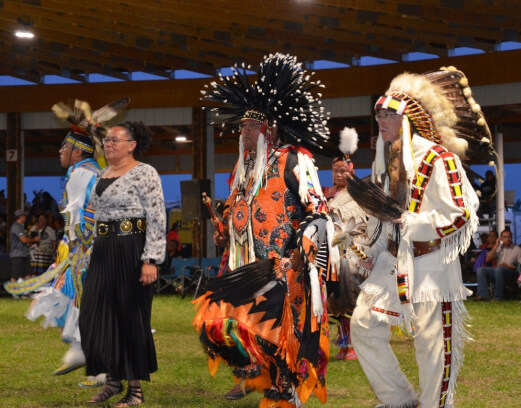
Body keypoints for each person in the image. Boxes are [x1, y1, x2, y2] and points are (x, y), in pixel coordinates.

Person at [193, 53, 334, 407]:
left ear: (268, 129)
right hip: (242, 267)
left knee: (278, 339)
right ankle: (257, 377)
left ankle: (283, 393)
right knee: (214, 323)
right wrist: (224, 233)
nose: (244, 132)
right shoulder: (240, 171)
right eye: (241, 127)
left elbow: (318, 211)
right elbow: (237, 214)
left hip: (280, 266)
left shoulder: (293, 159)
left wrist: (299, 256)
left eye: (251, 127)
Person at [348, 67, 493, 407]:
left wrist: (413, 222)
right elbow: (385, 218)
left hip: (432, 265)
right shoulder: (385, 161)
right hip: (394, 262)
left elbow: (460, 213)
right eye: (379, 115)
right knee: (364, 324)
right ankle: (399, 400)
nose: (381, 121)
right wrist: (374, 247)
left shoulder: (437, 159)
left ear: (407, 118)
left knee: (432, 345)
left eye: (388, 115)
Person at [5, 98, 128, 382]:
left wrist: (77, 247)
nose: (60, 152)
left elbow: (85, 217)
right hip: (97, 247)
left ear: (76, 151)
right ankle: (89, 357)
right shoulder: (91, 172)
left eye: (64, 147)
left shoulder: (80, 174)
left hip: (92, 248)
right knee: (74, 297)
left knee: (80, 299)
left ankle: (97, 360)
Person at [79, 120, 166, 407]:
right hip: (103, 251)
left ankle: (135, 389)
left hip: (131, 250)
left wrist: (151, 260)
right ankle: (113, 380)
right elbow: (97, 217)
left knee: (130, 317)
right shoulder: (104, 173)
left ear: (132, 145)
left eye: (116, 140)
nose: (109, 144)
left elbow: (156, 217)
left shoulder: (145, 173)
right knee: (95, 315)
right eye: (107, 140)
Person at [323, 127, 370, 361]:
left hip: (354, 252)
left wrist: (340, 243)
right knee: (333, 299)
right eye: (335, 170)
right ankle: (343, 343)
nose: (339, 174)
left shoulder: (358, 195)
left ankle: (352, 345)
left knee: (349, 292)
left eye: (343, 171)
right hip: (332, 252)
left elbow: (360, 226)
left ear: (351, 172)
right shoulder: (328, 196)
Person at [475, 229, 521, 301]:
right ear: (501, 238)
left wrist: (508, 266)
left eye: (509, 237)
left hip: (511, 271)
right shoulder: (499, 248)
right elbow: (487, 260)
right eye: (505, 237)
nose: (508, 239)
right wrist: (496, 245)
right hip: (498, 270)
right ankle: (483, 295)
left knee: (499, 269)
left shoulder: (517, 249)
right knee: (481, 270)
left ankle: (498, 297)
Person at [9, 209, 39, 284]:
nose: (25, 217)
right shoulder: (16, 226)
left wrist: (28, 243)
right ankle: (14, 293)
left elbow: (23, 241)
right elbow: (23, 240)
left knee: (27, 273)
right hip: (17, 255)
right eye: (24, 216)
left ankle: (26, 291)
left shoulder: (21, 227)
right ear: (21, 217)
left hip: (24, 253)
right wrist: (34, 239)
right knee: (16, 274)